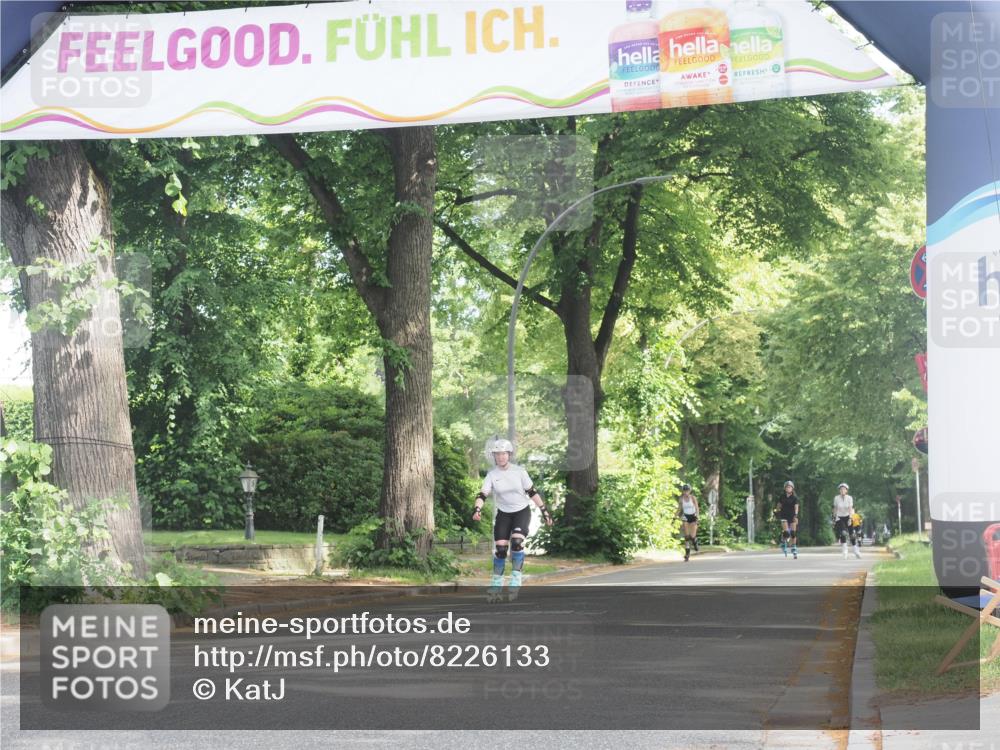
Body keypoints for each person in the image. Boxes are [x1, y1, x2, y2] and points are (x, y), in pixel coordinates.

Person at [472, 438, 553, 601]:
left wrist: (544, 511)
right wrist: (477, 509)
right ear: (494, 456)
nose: (501, 457)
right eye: (497, 454)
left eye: (503, 454)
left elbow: (532, 492)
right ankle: (496, 585)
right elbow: (482, 494)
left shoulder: (519, 472)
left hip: (521, 512)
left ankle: (516, 580)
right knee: (501, 550)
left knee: (516, 542)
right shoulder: (492, 475)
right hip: (504, 514)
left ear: (509, 455)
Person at [832, 482, 860, 559]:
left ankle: (856, 550)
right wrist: (833, 518)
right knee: (843, 533)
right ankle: (845, 551)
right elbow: (835, 508)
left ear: (846, 490)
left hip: (848, 516)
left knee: (852, 534)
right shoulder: (836, 498)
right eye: (841, 489)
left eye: (844, 489)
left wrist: (850, 518)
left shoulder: (849, 498)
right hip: (839, 517)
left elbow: (850, 509)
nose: (842, 491)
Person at [775, 480, 800, 559]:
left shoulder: (795, 498)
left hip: (792, 516)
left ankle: (794, 547)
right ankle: (783, 541)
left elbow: (796, 507)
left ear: (792, 488)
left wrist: (796, 515)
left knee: (793, 533)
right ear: (785, 488)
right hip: (784, 515)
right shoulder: (782, 497)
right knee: (786, 533)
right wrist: (777, 511)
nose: (788, 488)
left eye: (790, 487)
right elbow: (779, 505)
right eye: (787, 487)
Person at [677, 484, 700, 562]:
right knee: (687, 537)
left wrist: (697, 517)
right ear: (683, 491)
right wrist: (674, 517)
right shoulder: (681, 499)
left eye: (687, 491)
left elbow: (697, 508)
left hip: (693, 516)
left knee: (692, 536)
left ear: (690, 491)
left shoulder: (693, 498)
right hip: (686, 516)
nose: (686, 492)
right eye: (684, 491)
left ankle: (695, 543)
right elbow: (679, 509)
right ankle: (687, 554)